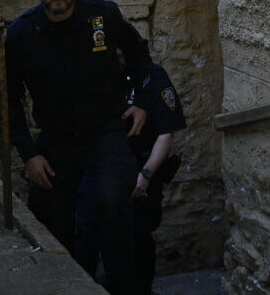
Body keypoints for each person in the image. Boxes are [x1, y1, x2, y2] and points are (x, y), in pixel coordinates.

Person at [5, 0, 152, 295]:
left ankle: (125, 288)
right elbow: (8, 101)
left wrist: (143, 102)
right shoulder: (23, 33)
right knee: (50, 219)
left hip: (105, 131)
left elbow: (140, 57)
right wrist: (28, 154)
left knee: (113, 201)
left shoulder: (102, 16)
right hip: (56, 139)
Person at [74, 49, 186, 294]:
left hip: (140, 167)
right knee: (86, 231)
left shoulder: (152, 77)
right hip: (101, 166)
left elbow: (166, 132)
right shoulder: (96, 76)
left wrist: (145, 175)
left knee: (137, 236)